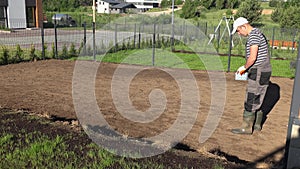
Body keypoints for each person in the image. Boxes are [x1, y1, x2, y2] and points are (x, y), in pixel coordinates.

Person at [231, 17, 272, 134]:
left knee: (252, 96)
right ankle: (257, 125)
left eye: (238, 30)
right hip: (264, 69)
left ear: (244, 26)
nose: (239, 33)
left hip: (258, 70)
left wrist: (244, 68)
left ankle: (246, 127)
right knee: (259, 95)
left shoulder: (253, 36)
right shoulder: (259, 33)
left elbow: (253, 57)